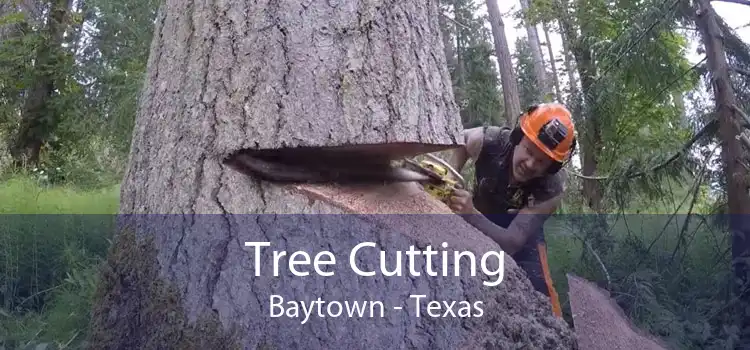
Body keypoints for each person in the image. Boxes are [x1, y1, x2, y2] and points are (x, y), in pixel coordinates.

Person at [446, 103, 577, 318]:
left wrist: (470, 215)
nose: (530, 163)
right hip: (479, 214)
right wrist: (451, 177)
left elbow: (513, 242)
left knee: (541, 292)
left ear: (552, 167)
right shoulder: (491, 140)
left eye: (542, 161)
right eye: (528, 150)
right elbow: (462, 140)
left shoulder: (552, 188)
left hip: (522, 233)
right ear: (518, 137)